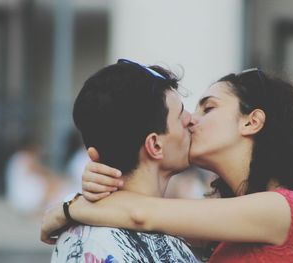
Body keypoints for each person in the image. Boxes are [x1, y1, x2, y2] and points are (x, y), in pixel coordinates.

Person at [42, 68, 293, 262]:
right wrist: (101, 183)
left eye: (208, 108)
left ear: (251, 121)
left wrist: (69, 209)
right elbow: (143, 214)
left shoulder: (285, 209)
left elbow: (142, 214)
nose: (191, 119)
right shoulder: (225, 229)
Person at [45, 59, 199, 262]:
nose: (192, 119)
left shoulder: (86, 231)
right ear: (155, 145)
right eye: (181, 115)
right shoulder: (96, 244)